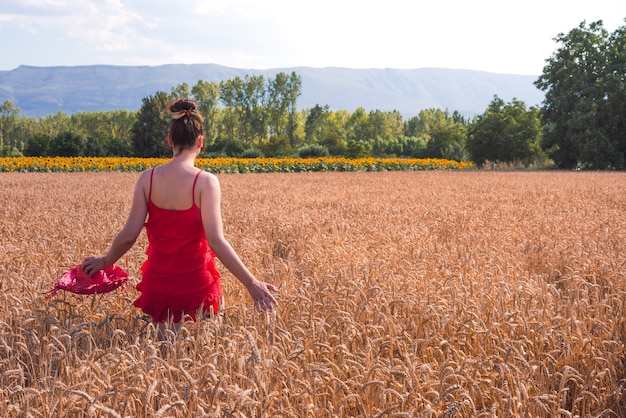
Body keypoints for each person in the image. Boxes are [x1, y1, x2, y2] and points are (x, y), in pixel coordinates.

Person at [81, 98, 278, 337]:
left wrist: (105, 261)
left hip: (160, 289)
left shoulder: (147, 179)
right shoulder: (205, 182)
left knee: (162, 364)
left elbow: (128, 236)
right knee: (205, 357)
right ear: (201, 142)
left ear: (170, 141)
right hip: (199, 288)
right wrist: (251, 283)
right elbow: (217, 241)